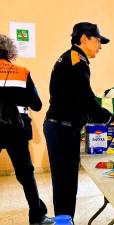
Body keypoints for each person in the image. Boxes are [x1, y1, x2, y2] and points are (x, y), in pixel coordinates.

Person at [43, 22, 114, 219]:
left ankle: (65, 220)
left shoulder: (71, 59)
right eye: (98, 40)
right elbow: (87, 102)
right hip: (62, 129)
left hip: (62, 127)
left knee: (64, 183)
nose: (100, 46)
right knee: (65, 184)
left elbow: (76, 101)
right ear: (84, 39)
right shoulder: (76, 62)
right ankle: (64, 221)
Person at [0, 34, 53, 225]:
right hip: (17, 130)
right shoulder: (21, 72)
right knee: (26, 174)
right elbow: (37, 105)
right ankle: (37, 216)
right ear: (10, 51)